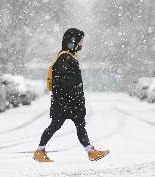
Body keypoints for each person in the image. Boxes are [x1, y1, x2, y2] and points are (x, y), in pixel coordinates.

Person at [33, 28, 109, 162]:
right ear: (72, 42)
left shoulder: (67, 56)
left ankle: (90, 151)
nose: (81, 45)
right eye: (80, 42)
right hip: (67, 101)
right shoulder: (65, 58)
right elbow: (67, 81)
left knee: (72, 125)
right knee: (61, 125)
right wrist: (76, 93)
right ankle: (40, 151)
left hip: (66, 101)